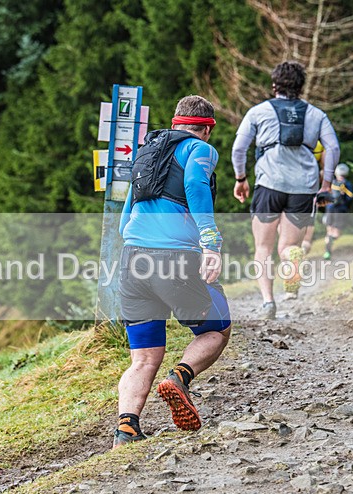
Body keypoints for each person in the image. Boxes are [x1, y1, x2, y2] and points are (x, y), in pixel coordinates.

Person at [114, 95, 232, 448]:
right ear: (206, 129)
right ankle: (180, 378)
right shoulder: (200, 149)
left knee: (143, 357)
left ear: (175, 121)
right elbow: (196, 185)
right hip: (173, 259)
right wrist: (210, 242)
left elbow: (125, 219)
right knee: (218, 328)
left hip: (132, 259)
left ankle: (126, 429)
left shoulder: (147, 153)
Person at [232, 61, 340, 317]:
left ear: (274, 86)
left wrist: (241, 178)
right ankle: (292, 269)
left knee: (263, 247)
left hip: (269, 184)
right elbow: (333, 148)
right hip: (303, 187)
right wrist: (326, 183)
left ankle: (269, 301)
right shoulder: (316, 115)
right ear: (301, 87)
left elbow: (238, 148)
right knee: (290, 246)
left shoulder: (258, 112)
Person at [323, 163, 353, 260]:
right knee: (336, 233)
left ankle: (327, 252)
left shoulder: (332, 183)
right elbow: (350, 198)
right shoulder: (347, 184)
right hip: (340, 210)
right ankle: (329, 247)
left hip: (330, 209)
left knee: (329, 231)